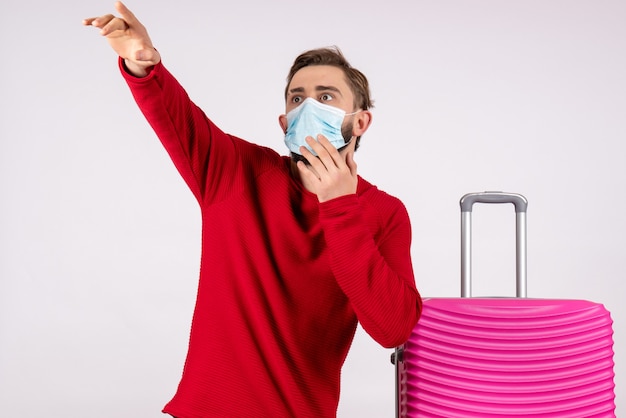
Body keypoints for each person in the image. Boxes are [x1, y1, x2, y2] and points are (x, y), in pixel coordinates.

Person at [84, 2, 422, 417]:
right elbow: (179, 119)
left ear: (360, 122)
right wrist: (143, 65)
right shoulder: (238, 172)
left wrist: (338, 207)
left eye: (326, 97)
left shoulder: (383, 214)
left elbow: (394, 328)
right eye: (297, 99)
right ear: (284, 123)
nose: (308, 108)